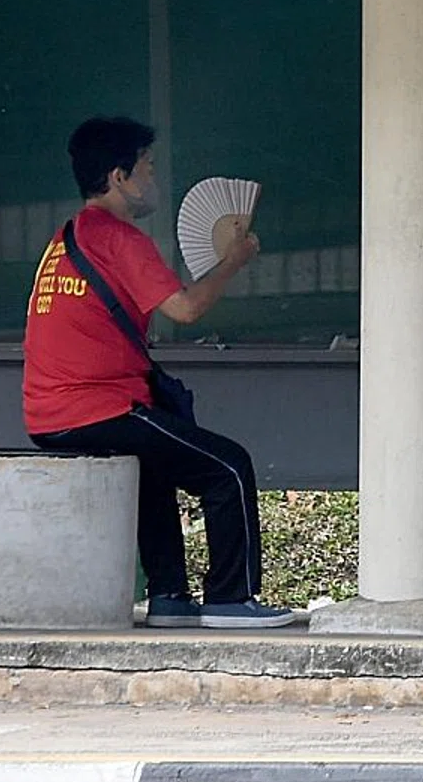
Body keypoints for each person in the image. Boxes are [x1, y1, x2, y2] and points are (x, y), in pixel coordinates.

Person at [23, 117, 294, 629]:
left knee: (152, 465)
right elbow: (185, 309)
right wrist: (233, 262)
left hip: (49, 412)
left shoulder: (66, 238)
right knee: (228, 466)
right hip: (95, 408)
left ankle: (169, 595)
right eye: (147, 168)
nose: (154, 180)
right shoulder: (120, 239)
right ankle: (231, 599)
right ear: (119, 175)